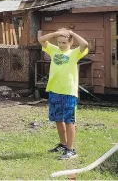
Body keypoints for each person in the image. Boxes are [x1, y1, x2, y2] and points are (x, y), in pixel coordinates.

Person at [38, 28, 89, 160]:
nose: (61, 45)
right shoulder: (53, 50)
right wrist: (56, 34)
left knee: (69, 121)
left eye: (64, 43)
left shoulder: (74, 53)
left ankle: (71, 150)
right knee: (58, 120)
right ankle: (63, 144)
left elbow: (85, 44)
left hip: (68, 92)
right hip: (54, 91)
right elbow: (41, 40)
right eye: (59, 42)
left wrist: (72, 33)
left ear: (70, 43)